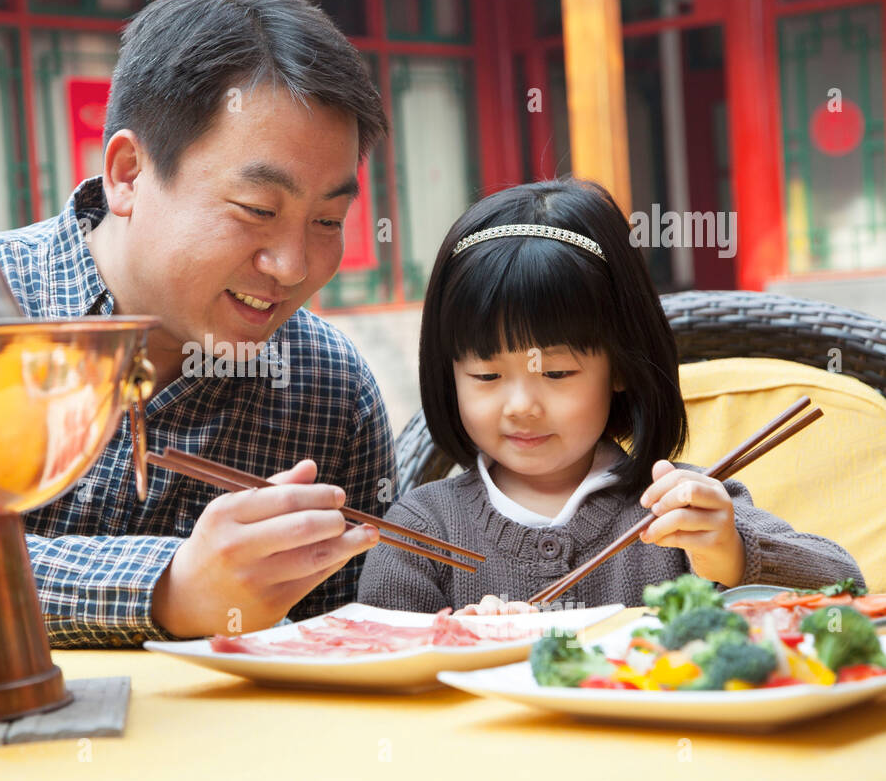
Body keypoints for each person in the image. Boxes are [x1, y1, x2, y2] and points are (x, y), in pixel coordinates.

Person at [0, 0, 396, 646]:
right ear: (127, 173)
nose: (292, 266)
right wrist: (169, 588)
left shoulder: (330, 388)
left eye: (327, 219)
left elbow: (350, 644)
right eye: (258, 210)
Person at [357, 178, 864, 614]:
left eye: (556, 372)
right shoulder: (423, 531)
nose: (520, 406)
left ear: (619, 365)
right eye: (487, 376)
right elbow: (374, 671)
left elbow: (847, 588)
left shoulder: (675, 510)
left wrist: (731, 554)